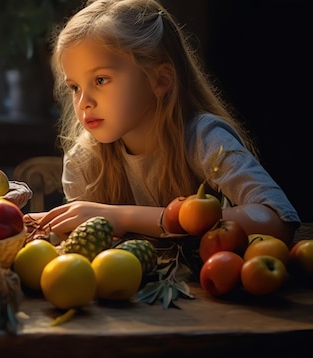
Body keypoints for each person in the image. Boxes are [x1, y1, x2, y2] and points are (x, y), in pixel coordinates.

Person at [25, 0, 300, 245]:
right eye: (74, 87)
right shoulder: (84, 161)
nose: (84, 102)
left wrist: (123, 216)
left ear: (160, 81)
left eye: (100, 80)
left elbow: (279, 220)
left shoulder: (203, 138)